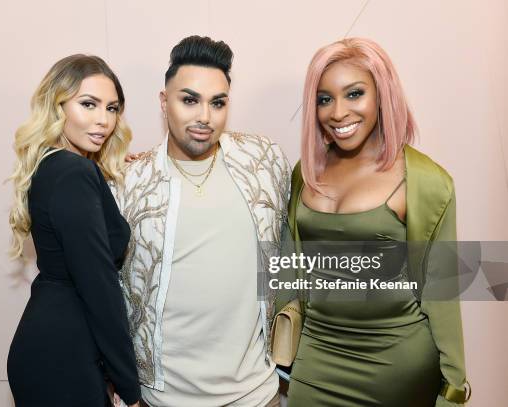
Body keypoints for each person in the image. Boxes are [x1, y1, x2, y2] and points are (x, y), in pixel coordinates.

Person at [276, 38, 469, 406]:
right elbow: (289, 267)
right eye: (324, 99)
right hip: (317, 356)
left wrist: (455, 389)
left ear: (382, 95)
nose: (338, 112)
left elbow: (443, 294)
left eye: (354, 94)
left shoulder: (424, 180)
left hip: (395, 364)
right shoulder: (307, 173)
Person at [111, 36, 291, 406]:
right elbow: (105, 289)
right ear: (164, 102)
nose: (204, 117)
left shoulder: (265, 162)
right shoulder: (130, 183)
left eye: (217, 103)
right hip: (162, 399)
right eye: (189, 100)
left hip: (257, 395)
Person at [6, 54, 140, 407]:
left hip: (53, 343)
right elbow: (99, 287)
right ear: (57, 105)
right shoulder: (73, 173)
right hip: (62, 356)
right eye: (88, 104)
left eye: (112, 109)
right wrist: (130, 388)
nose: (103, 121)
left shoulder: (53, 166)